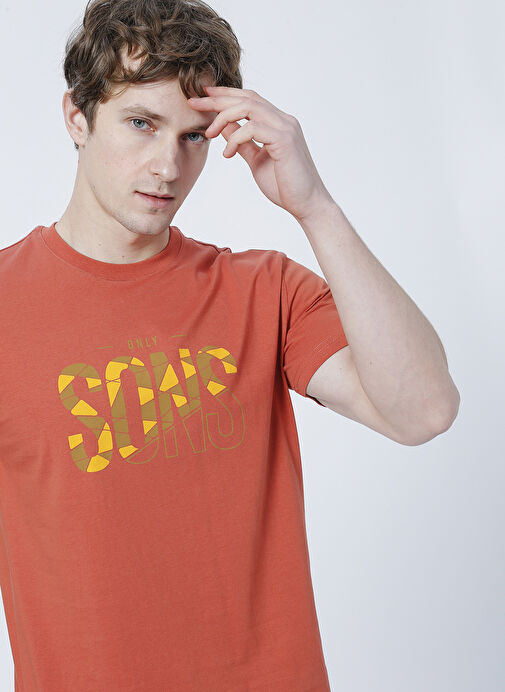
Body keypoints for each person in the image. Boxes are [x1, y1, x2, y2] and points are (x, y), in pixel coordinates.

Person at [0, 0, 460, 689]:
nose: (167, 165)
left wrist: (313, 207)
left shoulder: (262, 290)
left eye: (193, 136)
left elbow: (423, 411)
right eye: (141, 123)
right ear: (77, 117)